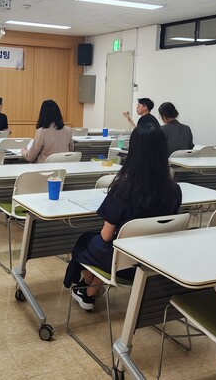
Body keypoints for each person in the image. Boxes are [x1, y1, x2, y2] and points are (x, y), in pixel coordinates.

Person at [63, 125, 182, 311]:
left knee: (85, 241)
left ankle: (88, 290)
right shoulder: (174, 190)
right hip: (156, 262)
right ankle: (88, 290)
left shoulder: (124, 190)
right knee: (100, 244)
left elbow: (106, 236)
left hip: (123, 266)